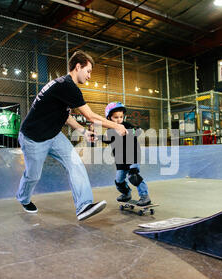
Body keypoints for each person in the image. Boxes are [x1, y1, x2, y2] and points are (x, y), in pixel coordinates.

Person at [16, 51, 128, 221]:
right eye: (88, 71)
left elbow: (65, 115)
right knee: (33, 175)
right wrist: (116, 125)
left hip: (53, 135)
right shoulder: (67, 86)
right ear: (78, 67)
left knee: (75, 163)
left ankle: (83, 205)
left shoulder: (64, 86)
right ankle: (23, 198)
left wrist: (83, 131)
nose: (89, 76)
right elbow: (90, 116)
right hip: (33, 137)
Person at [102, 101, 151, 206]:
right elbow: (106, 140)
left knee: (133, 175)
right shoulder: (110, 130)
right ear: (109, 118)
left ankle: (144, 196)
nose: (119, 119)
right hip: (120, 160)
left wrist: (131, 131)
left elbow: (138, 131)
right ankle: (126, 194)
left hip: (132, 156)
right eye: (116, 117)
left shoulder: (127, 125)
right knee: (119, 181)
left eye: (121, 117)